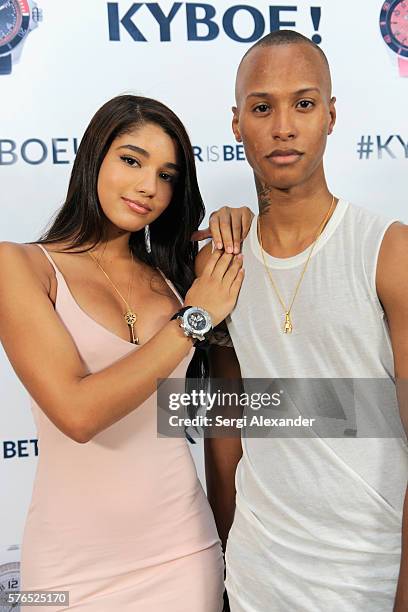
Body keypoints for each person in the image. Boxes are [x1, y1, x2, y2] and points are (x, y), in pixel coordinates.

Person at [0, 94, 248, 611]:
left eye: (167, 176)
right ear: (95, 156)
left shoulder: (178, 276)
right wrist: (192, 321)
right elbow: (78, 414)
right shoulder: (21, 267)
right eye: (131, 160)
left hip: (184, 555)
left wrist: (239, 223)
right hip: (69, 570)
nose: (147, 188)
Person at [197, 31, 408, 611]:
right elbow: (225, 426)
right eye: (262, 107)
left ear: (332, 116)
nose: (283, 126)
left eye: (304, 103)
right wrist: (228, 551)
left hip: (369, 580)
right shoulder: (219, 261)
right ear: (237, 123)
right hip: (257, 579)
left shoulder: (388, 252)